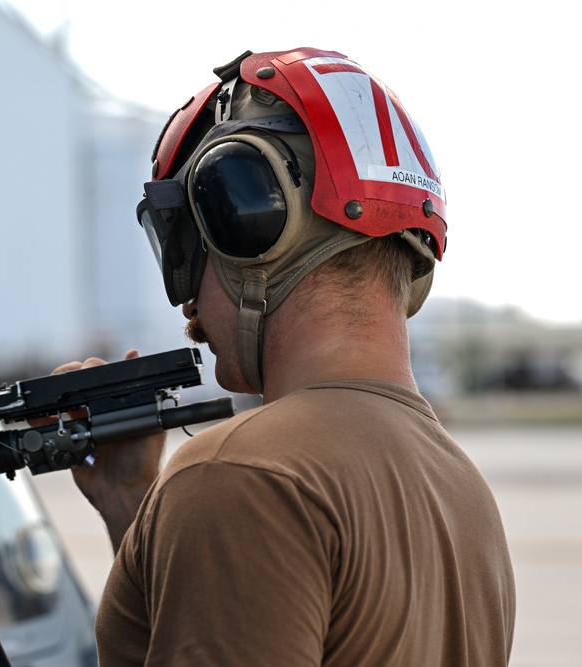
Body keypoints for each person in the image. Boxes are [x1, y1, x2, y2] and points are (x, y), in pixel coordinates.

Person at [56, 47, 516, 665]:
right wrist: (132, 510)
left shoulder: (241, 476)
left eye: (186, 245)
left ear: (247, 224)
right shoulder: (460, 489)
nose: (187, 303)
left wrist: (204, 494)